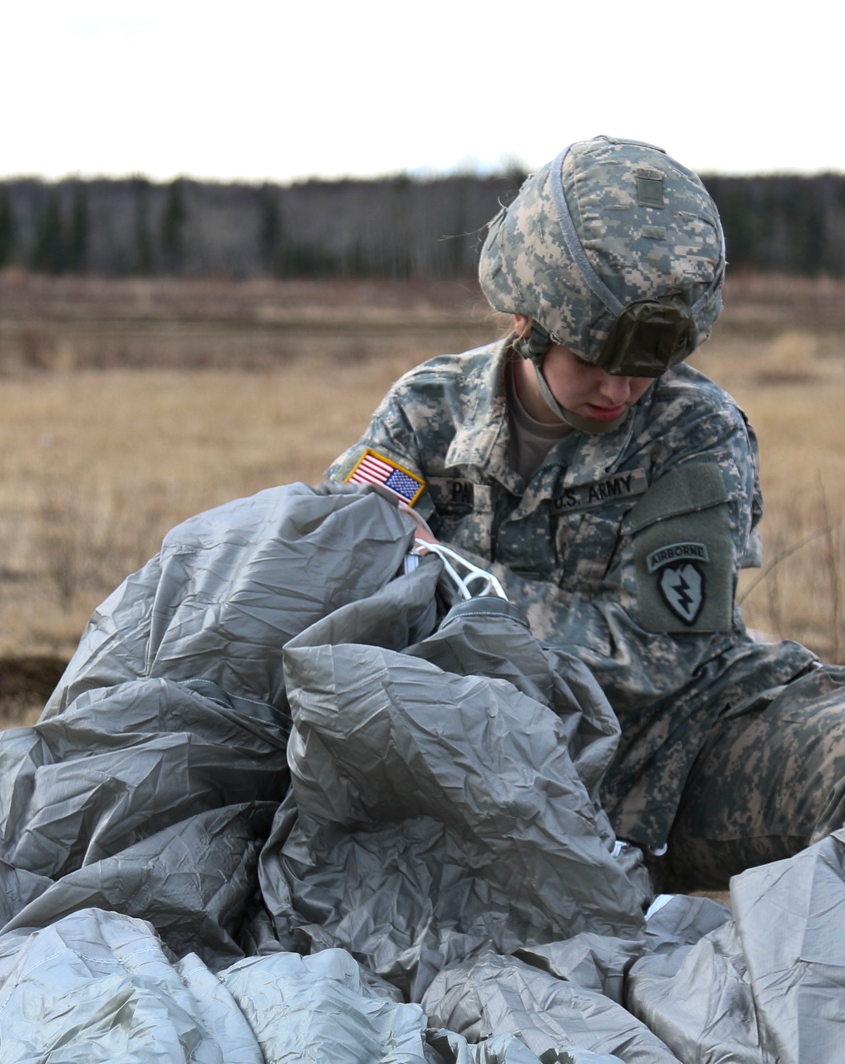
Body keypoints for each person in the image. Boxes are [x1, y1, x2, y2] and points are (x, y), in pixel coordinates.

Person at [327, 135, 845, 891]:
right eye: (594, 359)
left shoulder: (695, 431)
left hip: (676, 754)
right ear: (527, 322)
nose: (619, 389)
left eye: (644, 367)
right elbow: (339, 565)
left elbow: (660, 657)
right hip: (464, 759)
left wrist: (443, 571)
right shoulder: (424, 414)